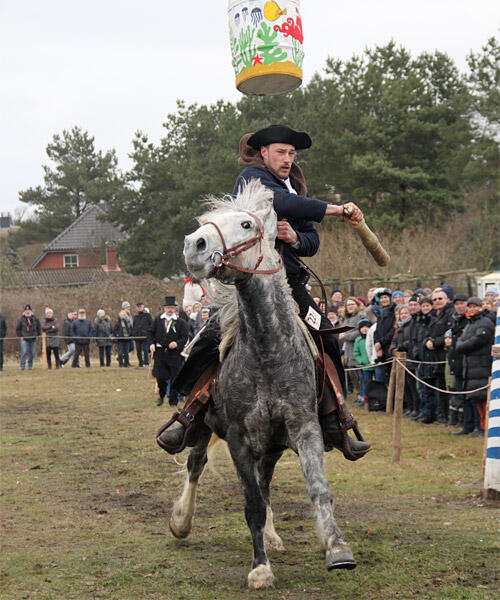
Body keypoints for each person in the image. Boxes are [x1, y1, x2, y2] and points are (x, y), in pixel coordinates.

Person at [161, 124, 370, 459]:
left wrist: (294, 239)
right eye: (281, 152)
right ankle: (190, 416)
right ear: (264, 153)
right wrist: (334, 209)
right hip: (247, 285)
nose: (287, 159)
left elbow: (311, 241)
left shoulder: (297, 186)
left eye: (291, 154)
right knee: (212, 335)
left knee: (328, 336)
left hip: (291, 285)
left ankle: (337, 420)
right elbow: (282, 203)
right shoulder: (251, 179)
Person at [455, 297, 495, 437]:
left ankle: (484, 427)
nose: (472, 309)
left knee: (484, 399)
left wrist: (462, 346)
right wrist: (462, 345)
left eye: (475, 306)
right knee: (475, 399)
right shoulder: (469, 324)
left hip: (482, 366)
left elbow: (477, 341)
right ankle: (475, 426)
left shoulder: (485, 322)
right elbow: (460, 341)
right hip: (470, 367)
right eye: (470, 307)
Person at [149, 296, 189, 407]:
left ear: (175, 309)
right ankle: (161, 396)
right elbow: (150, 333)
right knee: (160, 377)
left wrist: (177, 343)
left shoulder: (180, 322)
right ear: (164, 308)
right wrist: (151, 344)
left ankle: (173, 400)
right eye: (168, 307)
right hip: (160, 353)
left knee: (174, 378)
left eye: (172, 307)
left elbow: (185, 337)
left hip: (174, 354)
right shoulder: (158, 320)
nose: (170, 310)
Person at [422, 288, 455, 424]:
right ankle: (443, 415)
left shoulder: (451, 314)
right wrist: (427, 341)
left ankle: (449, 416)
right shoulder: (434, 315)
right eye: (435, 299)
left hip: (446, 355)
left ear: (446, 299)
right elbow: (428, 333)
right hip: (434, 357)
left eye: (440, 299)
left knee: (448, 388)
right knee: (440, 388)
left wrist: (435, 342)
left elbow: (449, 333)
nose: (437, 301)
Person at [446, 294, 469, 431]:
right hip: (456, 361)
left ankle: (471, 423)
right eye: (457, 304)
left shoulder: (469, 321)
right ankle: (465, 424)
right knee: (460, 394)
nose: (460, 306)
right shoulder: (454, 320)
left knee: (468, 395)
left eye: (462, 303)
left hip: (467, 362)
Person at [373, 289, 395, 383]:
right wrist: (377, 344)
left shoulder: (394, 312)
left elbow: (392, 331)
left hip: (390, 347)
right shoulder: (380, 313)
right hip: (382, 349)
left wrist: (381, 343)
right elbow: (376, 331)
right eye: (381, 298)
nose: (383, 300)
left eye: (385, 297)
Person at [352, 318, 373, 404]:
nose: (364, 329)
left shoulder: (373, 338)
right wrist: (361, 361)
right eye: (362, 327)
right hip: (365, 366)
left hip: (374, 364)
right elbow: (356, 352)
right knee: (365, 382)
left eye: (366, 327)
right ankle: (365, 397)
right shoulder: (358, 340)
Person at [16, 305, 41, 370]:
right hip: (24, 339)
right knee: (23, 353)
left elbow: (39, 327)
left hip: (33, 339)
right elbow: (18, 329)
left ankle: (30, 366)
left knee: (32, 353)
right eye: (26, 310)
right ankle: (22, 366)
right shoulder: (21, 319)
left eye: (29, 310)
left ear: (31, 311)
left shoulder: (35, 318)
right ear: (25, 311)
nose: (27, 311)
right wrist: (21, 336)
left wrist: (37, 335)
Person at [132, 302, 153, 367]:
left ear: (143, 307)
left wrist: (148, 333)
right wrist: (134, 333)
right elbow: (134, 325)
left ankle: (147, 362)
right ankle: (140, 363)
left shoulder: (147, 316)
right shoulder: (135, 317)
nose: (139, 308)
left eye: (140, 307)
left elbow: (152, 324)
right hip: (138, 336)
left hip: (145, 336)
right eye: (138, 307)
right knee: (138, 350)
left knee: (145, 349)